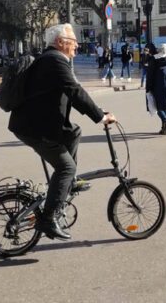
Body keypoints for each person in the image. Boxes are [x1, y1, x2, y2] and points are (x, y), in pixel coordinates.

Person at [8, 23, 116, 241]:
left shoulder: (52, 59)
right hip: (34, 129)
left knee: (74, 131)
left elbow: (70, 94)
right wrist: (101, 117)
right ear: (60, 42)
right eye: (73, 40)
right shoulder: (54, 60)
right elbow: (75, 90)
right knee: (66, 166)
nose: (77, 44)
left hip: (39, 123)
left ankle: (68, 182)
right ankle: (48, 218)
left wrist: (97, 111)